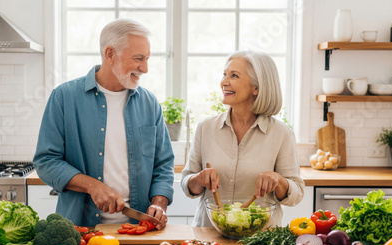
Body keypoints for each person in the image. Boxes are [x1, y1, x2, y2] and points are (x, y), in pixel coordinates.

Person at [33, 18, 174, 230]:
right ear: (110, 54)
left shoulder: (149, 103)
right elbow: (46, 161)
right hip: (80, 231)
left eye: (147, 59)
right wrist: (92, 186)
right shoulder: (64, 97)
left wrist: (159, 203)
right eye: (138, 58)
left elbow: (163, 163)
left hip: (138, 230)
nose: (145, 68)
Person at [180, 50, 305, 228]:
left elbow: (297, 194)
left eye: (234, 76)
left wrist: (278, 180)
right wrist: (198, 179)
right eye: (224, 75)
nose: (224, 82)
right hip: (209, 240)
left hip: (259, 242)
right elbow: (186, 182)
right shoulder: (205, 128)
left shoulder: (281, 134)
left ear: (256, 87)